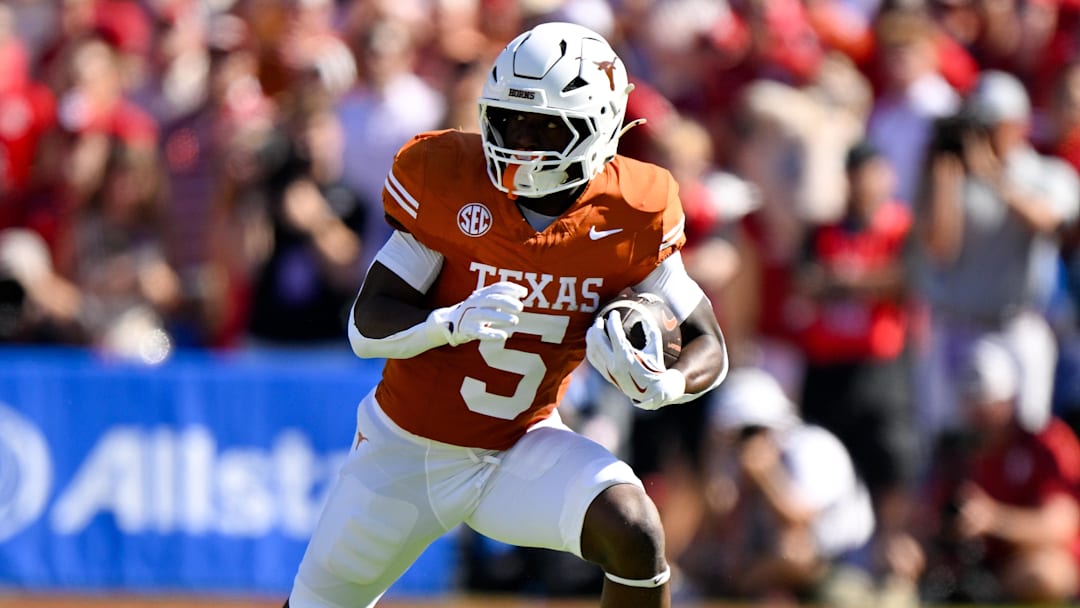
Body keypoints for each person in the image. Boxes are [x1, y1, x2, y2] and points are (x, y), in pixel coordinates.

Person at [282, 22, 729, 608]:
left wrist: (664, 384)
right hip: (406, 452)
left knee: (634, 528)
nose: (518, 140)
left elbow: (708, 344)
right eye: (507, 119)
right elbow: (367, 325)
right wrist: (447, 322)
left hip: (521, 447)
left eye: (543, 126)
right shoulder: (449, 179)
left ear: (598, 128)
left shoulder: (630, 211)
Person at [680, 367, 875, 603]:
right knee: (698, 558)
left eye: (749, 432)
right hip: (774, 562)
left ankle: (746, 589)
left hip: (840, 566)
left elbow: (799, 519)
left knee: (792, 551)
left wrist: (765, 474)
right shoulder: (735, 459)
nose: (744, 443)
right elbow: (720, 524)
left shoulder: (815, 447)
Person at [922, 336, 1080, 604]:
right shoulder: (955, 450)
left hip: (1033, 559)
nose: (979, 413)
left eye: (989, 402)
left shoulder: (1046, 443)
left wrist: (994, 519)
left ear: (1010, 398)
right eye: (972, 402)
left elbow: (1061, 523)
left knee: (1044, 573)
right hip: (974, 563)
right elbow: (928, 516)